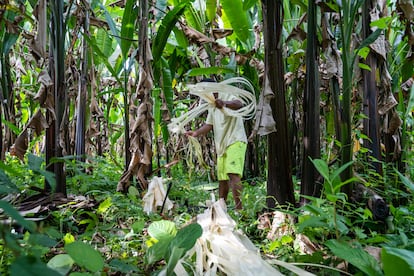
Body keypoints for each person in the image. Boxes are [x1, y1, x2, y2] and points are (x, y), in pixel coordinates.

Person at [185, 80, 248, 210]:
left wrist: (224, 104)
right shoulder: (211, 105)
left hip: (235, 140)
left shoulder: (227, 94)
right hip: (222, 145)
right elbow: (209, 125)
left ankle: (239, 210)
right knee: (222, 179)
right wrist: (196, 133)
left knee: (233, 174)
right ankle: (221, 208)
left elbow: (239, 104)